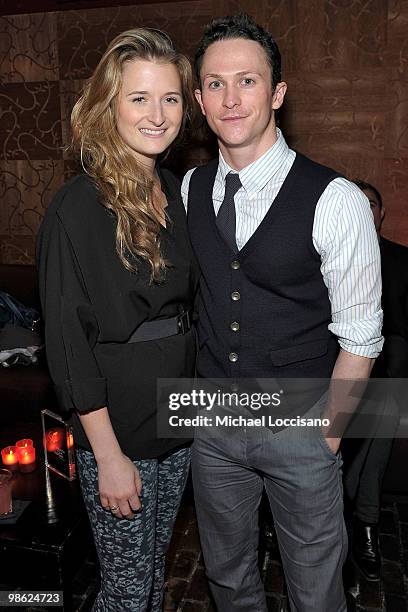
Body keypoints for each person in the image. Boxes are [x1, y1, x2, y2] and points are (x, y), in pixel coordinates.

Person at [181, 13, 383, 612]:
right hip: (213, 425)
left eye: (247, 81)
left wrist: (327, 437)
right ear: (199, 99)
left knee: (316, 592)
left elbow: (362, 336)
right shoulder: (188, 188)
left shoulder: (336, 200)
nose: (231, 97)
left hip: (302, 428)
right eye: (215, 84)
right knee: (226, 578)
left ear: (278, 93)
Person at [36, 28, 198, 611]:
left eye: (170, 98)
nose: (157, 115)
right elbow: (67, 342)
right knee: (128, 593)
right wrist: (106, 456)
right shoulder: (79, 205)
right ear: (110, 105)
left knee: (151, 577)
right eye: (139, 98)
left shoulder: (177, 194)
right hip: (118, 429)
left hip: (175, 419)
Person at [344, 181, 405, 581]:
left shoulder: (402, 261)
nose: (364, 211)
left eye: (371, 205)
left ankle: (359, 520)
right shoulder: (335, 256)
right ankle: (361, 522)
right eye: (357, 205)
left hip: (390, 369)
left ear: (381, 215)